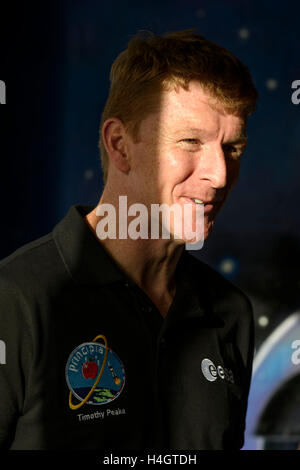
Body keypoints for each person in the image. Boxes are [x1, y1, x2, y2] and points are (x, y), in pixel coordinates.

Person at [0, 29, 258, 450]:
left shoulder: (230, 314)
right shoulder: (15, 300)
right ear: (120, 145)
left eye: (233, 148)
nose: (220, 175)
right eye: (191, 141)